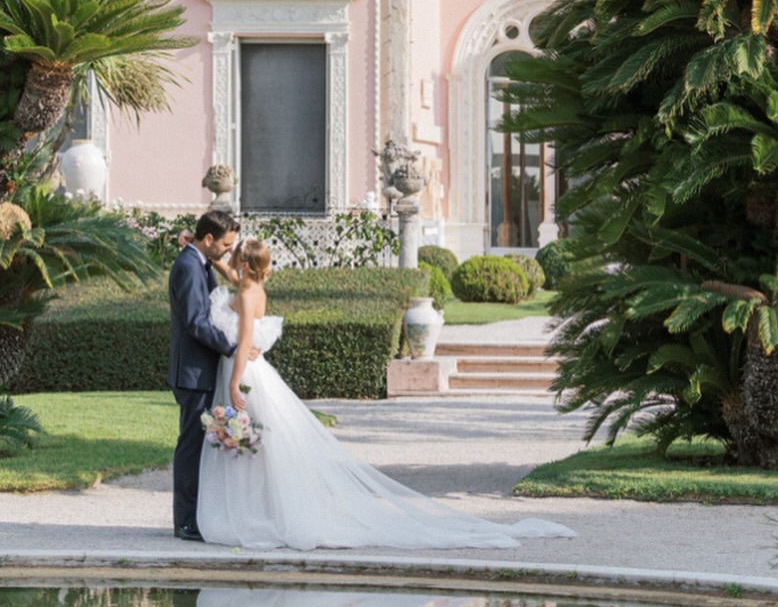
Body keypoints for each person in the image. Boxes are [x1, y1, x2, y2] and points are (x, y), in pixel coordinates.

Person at [196, 238, 576, 552]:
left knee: (258, 443)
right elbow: (231, 275)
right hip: (253, 370)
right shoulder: (251, 286)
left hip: (245, 373)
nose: (232, 262)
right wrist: (205, 254)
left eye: (236, 256)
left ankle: (258, 513)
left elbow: (244, 342)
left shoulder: (247, 295)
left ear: (245, 264)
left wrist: (234, 384)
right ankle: (260, 509)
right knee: (261, 444)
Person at [167, 206, 254, 542]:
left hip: (200, 370)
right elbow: (195, 322)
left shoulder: (197, 260)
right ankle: (185, 521)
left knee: (199, 445)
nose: (229, 251)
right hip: (192, 372)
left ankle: (196, 516)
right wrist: (232, 347)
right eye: (226, 244)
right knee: (190, 446)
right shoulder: (188, 266)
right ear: (208, 238)